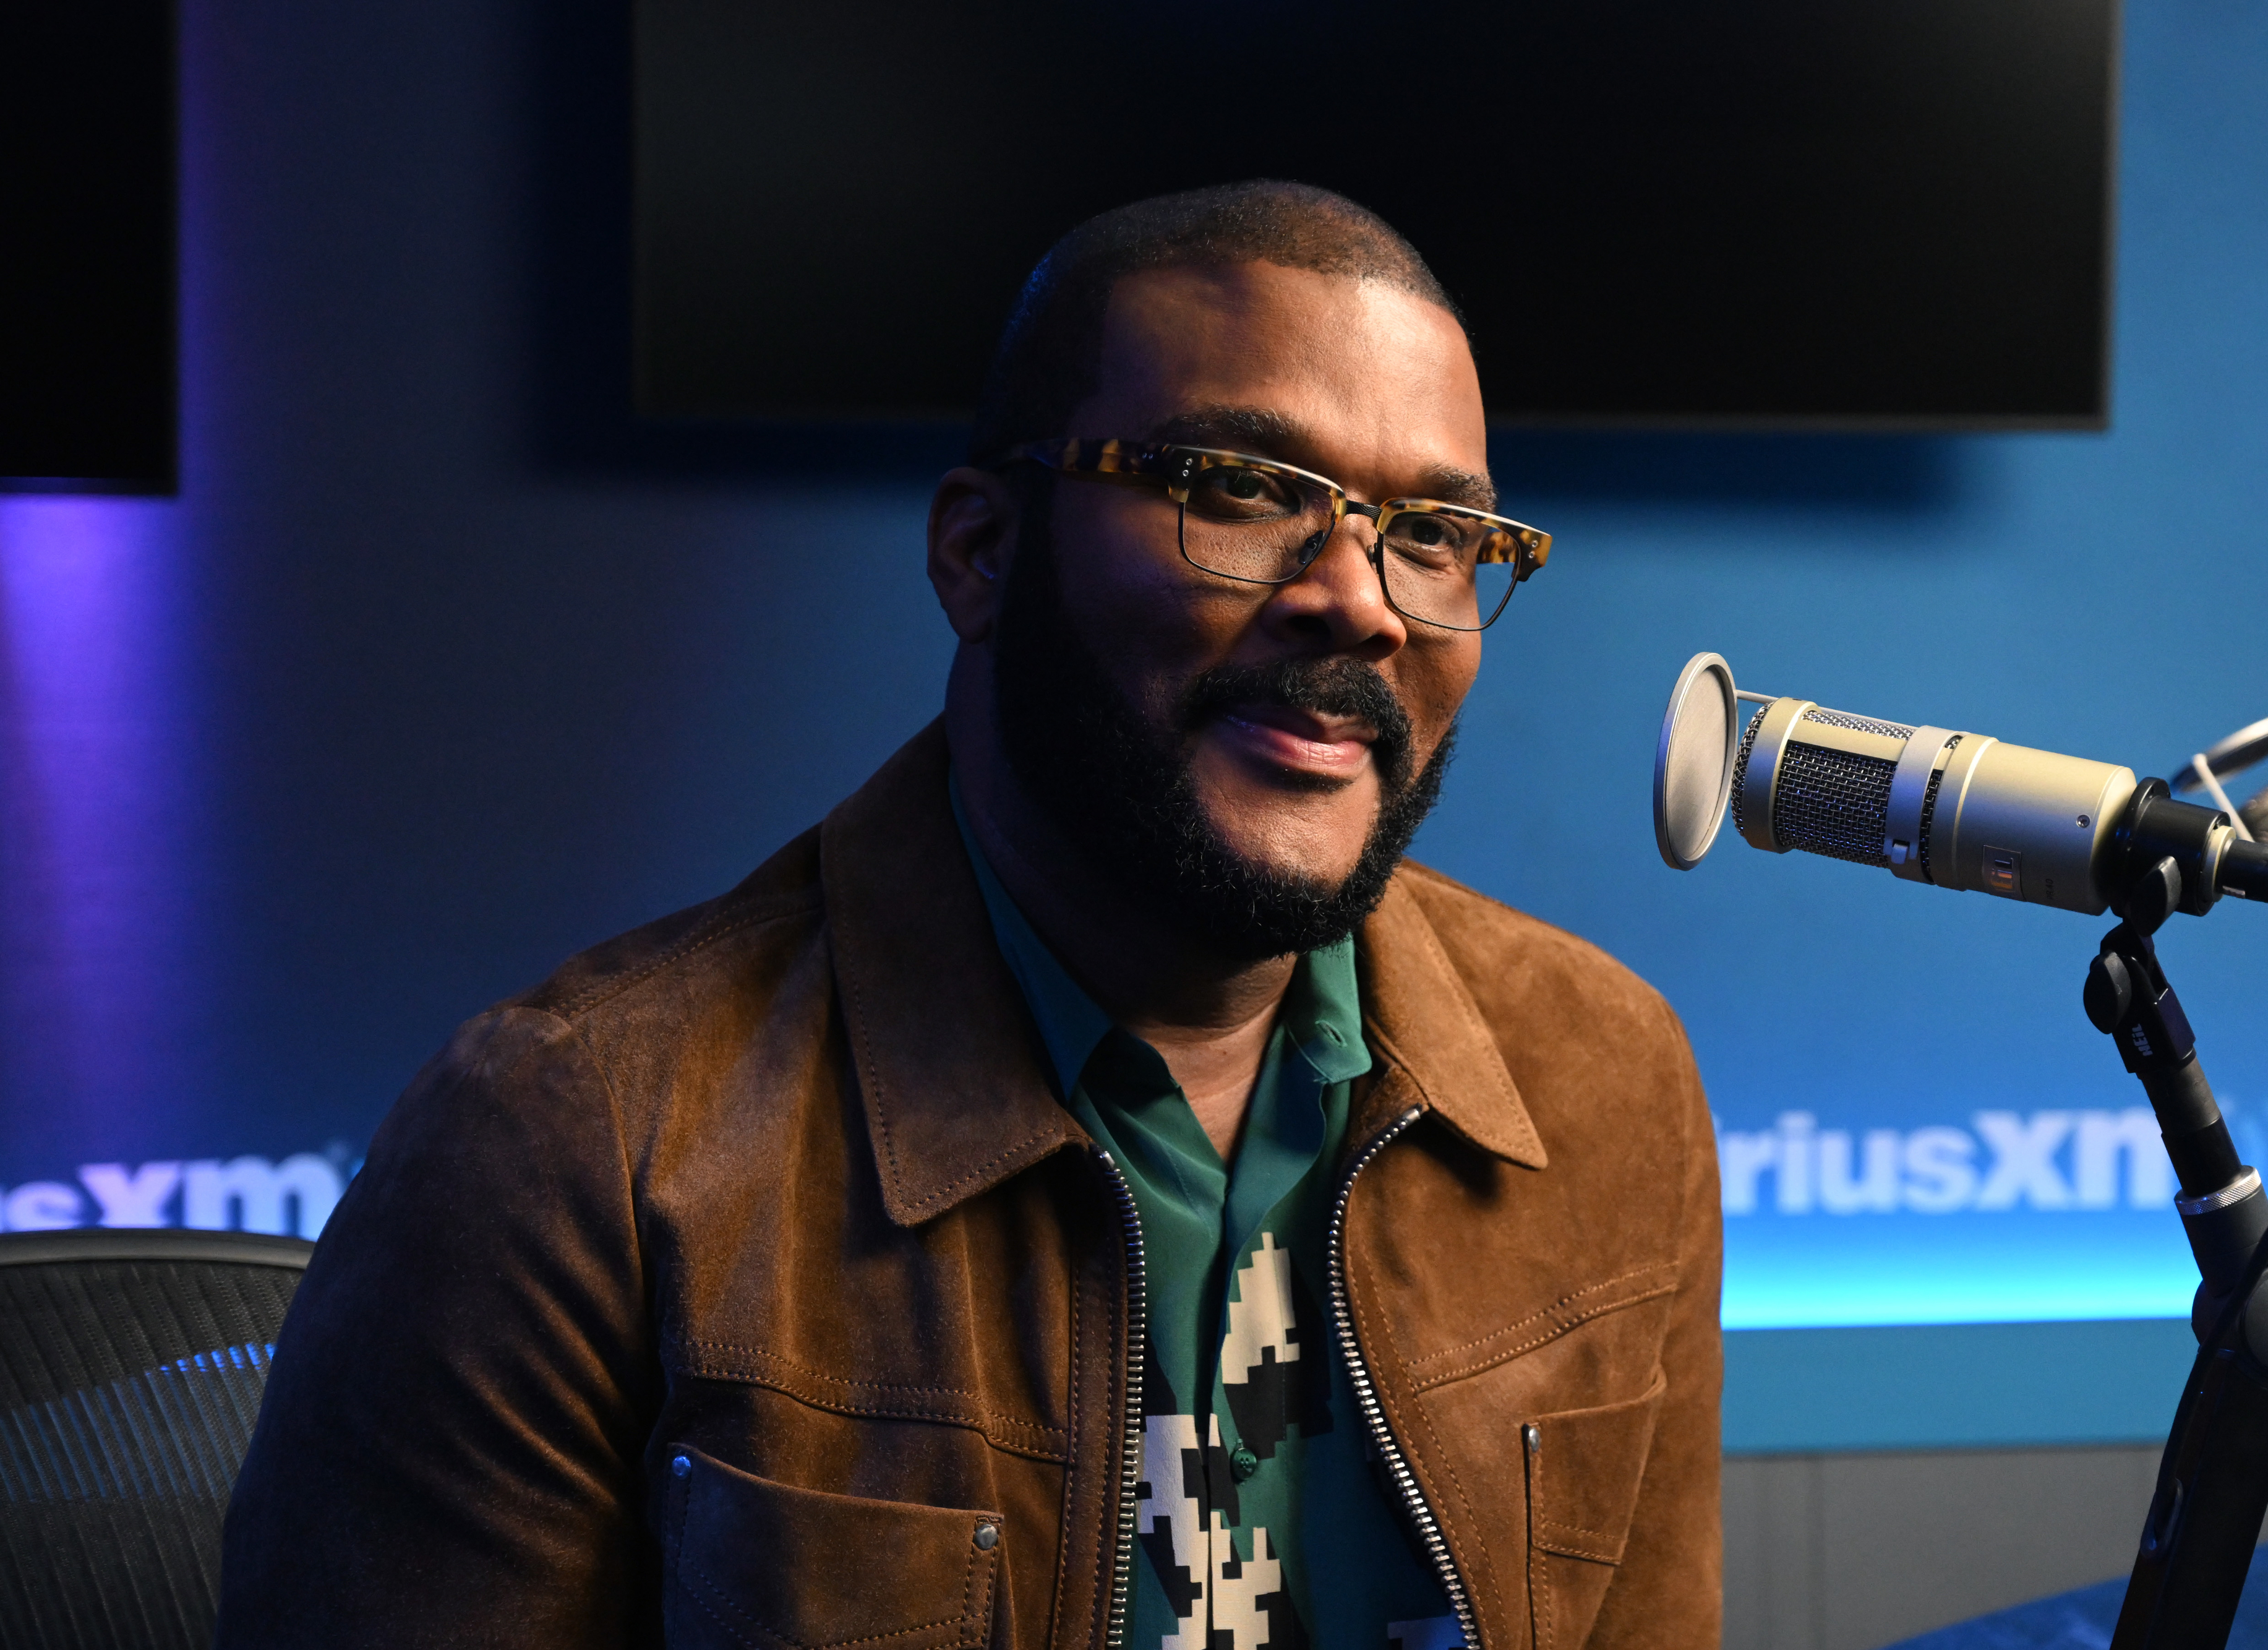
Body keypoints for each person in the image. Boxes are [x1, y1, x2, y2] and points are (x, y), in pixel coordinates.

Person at [217, 181, 1721, 1650]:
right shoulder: (570, 1141)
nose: (1363, 601)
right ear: (980, 551)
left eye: (1435, 531)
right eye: (1245, 489)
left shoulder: (1601, 1074)